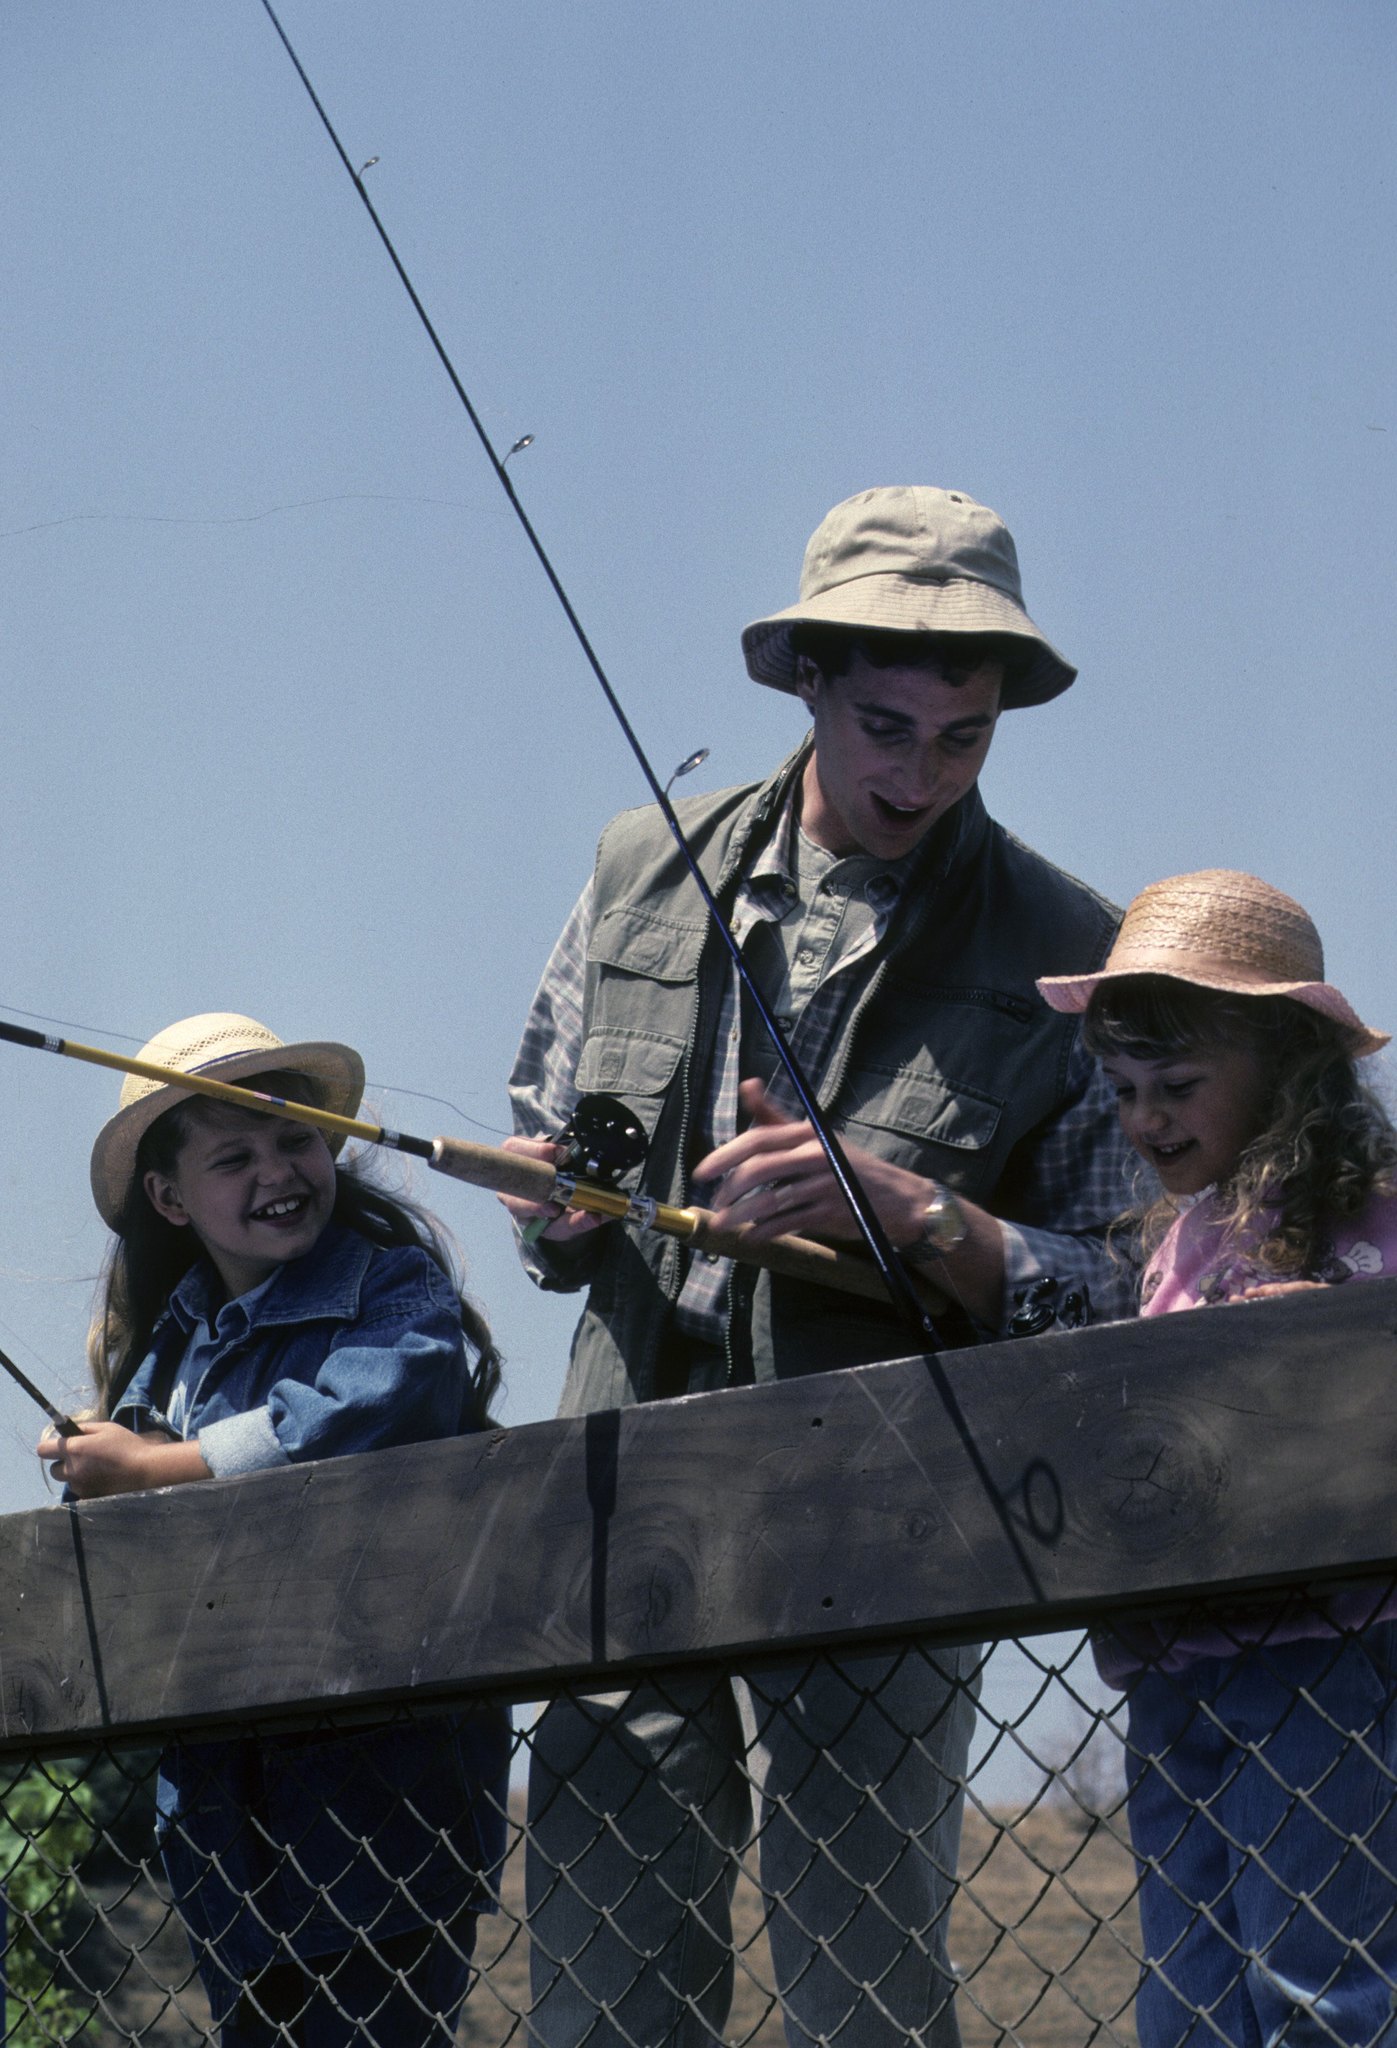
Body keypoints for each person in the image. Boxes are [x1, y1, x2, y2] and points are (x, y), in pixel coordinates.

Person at [505, 486, 1135, 2046]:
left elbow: (1122, 1289)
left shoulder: (1069, 945)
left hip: (891, 1512)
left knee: (865, 1986)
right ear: (805, 684)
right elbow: (567, 1124)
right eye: (884, 724)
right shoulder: (638, 869)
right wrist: (566, 1203)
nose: (918, 772)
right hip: (621, 1496)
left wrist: (909, 1215)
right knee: (602, 1979)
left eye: (962, 737)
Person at [40, 1013, 512, 2048]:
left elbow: (373, 1404)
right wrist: (101, 1476)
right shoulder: (174, 1350)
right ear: (170, 1198)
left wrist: (155, 1467)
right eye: (233, 1155)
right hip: (224, 1823)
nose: (277, 1168)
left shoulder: (389, 1290)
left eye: (293, 1135)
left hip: (385, 1797)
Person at [1038, 869, 1397, 2048]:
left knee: (1320, 1980)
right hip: (1172, 1660)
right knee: (1190, 1996)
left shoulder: (1366, 1209)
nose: (1145, 1118)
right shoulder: (1177, 1239)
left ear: (1288, 1064)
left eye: (1178, 1084)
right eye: (1122, 1089)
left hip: (1325, 1652)